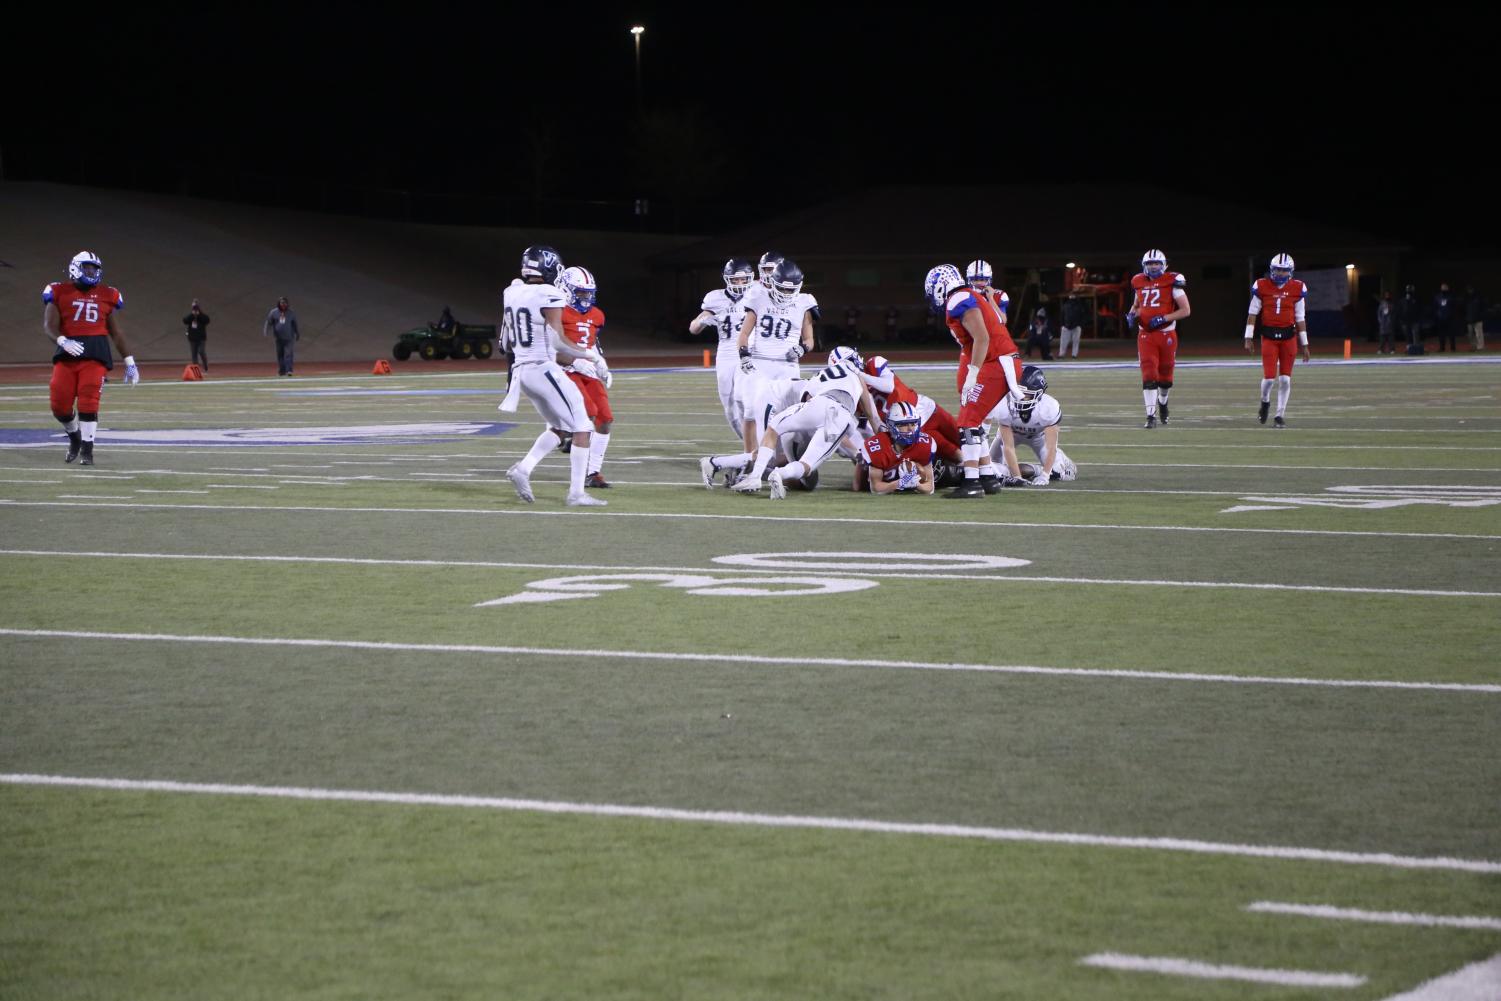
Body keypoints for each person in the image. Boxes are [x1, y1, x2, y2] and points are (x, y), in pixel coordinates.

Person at [500, 245, 609, 508]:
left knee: (558, 427)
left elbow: (504, 343)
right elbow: (559, 341)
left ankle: (523, 469)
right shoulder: (549, 293)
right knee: (583, 427)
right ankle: (576, 494)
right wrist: (592, 357)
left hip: (521, 372)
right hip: (542, 368)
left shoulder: (511, 292)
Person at [926, 262, 1024, 498]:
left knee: (968, 421)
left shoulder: (958, 299)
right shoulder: (965, 296)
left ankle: (971, 483)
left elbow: (982, 339)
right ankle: (988, 476)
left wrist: (973, 372)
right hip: (1000, 361)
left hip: (996, 363)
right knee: (976, 422)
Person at [728, 350, 877, 500]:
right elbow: (871, 414)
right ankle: (780, 474)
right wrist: (880, 439)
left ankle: (755, 477)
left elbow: (806, 398)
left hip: (818, 403)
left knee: (774, 428)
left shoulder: (821, 373)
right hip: (840, 413)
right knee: (806, 465)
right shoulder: (857, 376)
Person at [43, 251, 139, 465]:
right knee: (59, 404)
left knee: (89, 400)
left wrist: (129, 361)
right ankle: (74, 437)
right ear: (76, 267)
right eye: (87, 267)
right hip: (67, 354)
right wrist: (61, 340)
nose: (91, 272)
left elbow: (116, 332)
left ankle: (87, 451)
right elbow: (49, 325)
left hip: (96, 353)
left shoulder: (107, 294)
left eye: (94, 268)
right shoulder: (58, 290)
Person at [733, 257, 818, 452]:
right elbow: (744, 334)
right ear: (773, 283)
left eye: (791, 289)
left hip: (787, 365)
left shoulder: (805, 303)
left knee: (790, 413)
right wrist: (744, 355)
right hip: (760, 363)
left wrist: (803, 348)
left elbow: (809, 340)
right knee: (751, 412)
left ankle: (784, 456)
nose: (787, 293)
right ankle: (750, 457)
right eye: (783, 288)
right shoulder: (758, 298)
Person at [558, 266, 614, 489]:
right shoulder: (557, 311)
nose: (586, 297)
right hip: (565, 371)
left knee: (605, 419)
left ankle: (593, 472)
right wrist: (574, 361)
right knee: (587, 416)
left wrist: (602, 365)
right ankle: (564, 434)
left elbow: (593, 344)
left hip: (587, 372)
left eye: (588, 292)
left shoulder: (597, 315)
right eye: (580, 292)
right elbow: (549, 350)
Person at [689, 258, 756, 438]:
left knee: (746, 401)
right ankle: (748, 449)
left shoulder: (758, 293)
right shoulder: (715, 297)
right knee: (729, 406)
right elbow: (693, 328)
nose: (740, 283)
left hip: (750, 352)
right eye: (735, 280)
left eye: (743, 279)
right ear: (727, 279)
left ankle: (760, 447)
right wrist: (702, 321)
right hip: (726, 354)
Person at [1244, 253, 1311, 428]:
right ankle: (1265, 401)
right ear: (1272, 270)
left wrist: (1305, 344)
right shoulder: (1262, 286)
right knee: (1268, 379)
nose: (1280, 274)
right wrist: (1248, 337)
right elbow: (1252, 314)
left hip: (1289, 337)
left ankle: (1279, 415)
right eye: (1278, 270)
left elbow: (1300, 317)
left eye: (1284, 270)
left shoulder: (1297, 288)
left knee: (1285, 380)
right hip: (1269, 337)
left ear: (1290, 271)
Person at [857, 353, 963, 463]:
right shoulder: (854, 394)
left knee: (961, 436)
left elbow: (888, 386)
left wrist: (860, 376)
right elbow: (864, 427)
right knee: (953, 453)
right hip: (906, 424)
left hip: (924, 407)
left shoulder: (874, 364)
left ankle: (980, 464)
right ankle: (970, 471)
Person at [1128, 248, 1191, 428]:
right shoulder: (1138, 281)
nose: (1153, 267)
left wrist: (1165, 318)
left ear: (1164, 265)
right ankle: (1150, 416)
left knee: (1165, 378)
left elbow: (1186, 310)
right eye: (1149, 264)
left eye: (1156, 263)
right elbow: (1137, 304)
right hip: (1146, 334)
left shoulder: (1172, 282)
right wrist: (1132, 314)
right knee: (1148, 374)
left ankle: (1163, 404)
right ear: (1144, 266)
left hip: (1166, 334)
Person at [987, 365, 1077, 485]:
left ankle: (1050, 466)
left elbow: (1051, 447)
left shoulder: (1048, 408)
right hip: (1013, 434)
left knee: (1055, 473)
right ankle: (1027, 472)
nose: (1020, 398)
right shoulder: (1005, 403)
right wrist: (1017, 478)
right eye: (1017, 392)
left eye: (1025, 394)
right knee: (991, 469)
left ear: (1038, 394)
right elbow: (1008, 447)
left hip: (1038, 438)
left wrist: (1044, 475)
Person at [855, 401, 936, 494]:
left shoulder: (924, 444)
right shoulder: (878, 447)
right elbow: (876, 488)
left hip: (933, 474)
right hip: (878, 479)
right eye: (904, 424)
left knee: (948, 474)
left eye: (913, 424)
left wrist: (916, 485)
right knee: (857, 487)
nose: (910, 429)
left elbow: (930, 487)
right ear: (891, 426)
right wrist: (900, 483)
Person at [263, 296, 300, 376]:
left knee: (288, 354)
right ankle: (282, 371)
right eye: (282, 303)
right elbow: (268, 322)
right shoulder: (273, 312)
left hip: (289, 338)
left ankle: (289, 370)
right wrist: (266, 331)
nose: (283, 304)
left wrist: (297, 333)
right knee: (280, 355)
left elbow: (295, 324)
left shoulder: (291, 313)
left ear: (287, 304)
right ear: (279, 303)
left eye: (285, 303)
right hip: (279, 338)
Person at [182, 299, 210, 372]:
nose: (195, 309)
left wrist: (199, 314)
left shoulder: (202, 316)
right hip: (192, 338)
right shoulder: (190, 316)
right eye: (194, 308)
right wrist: (192, 315)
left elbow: (207, 320)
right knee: (194, 355)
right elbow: (185, 320)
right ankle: (196, 370)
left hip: (201, 338)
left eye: (196, 308)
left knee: (201, 351)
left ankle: (205, 366)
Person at [1398, 284, 1424, 352]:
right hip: (1405, 321)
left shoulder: (1416, 299)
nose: (1409, 291)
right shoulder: (1403, 300)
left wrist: (1419, 319)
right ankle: (1409, 348)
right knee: (1407, 336)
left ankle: (1416, 349)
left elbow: (1420, 309)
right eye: (1408, 289)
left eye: (1410, 289)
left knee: (1415, 335)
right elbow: (1400, 310)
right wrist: (1401, 320)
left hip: (1415, 320)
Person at [1059, 293, 1086, 358]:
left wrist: (1062, 324)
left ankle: (1064, 354)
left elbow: (1062, 316)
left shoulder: (1066, 305)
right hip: (1071, 326)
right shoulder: (1078, 305)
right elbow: (1082, 316)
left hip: (1071, 326)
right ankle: (1072, 354)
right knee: (1073, 341)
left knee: (1066, 341)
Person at [1432, 283, 1457, 352]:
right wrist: (1437, 315)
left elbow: (1454, 307)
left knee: (1451, 334)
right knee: (1441, 334)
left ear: (1448, 288)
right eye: (1443, 287)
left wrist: (1452, 315)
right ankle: (1442, 348)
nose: (1444, 289)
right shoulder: (1437, 297)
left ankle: (1453, 348)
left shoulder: (1451, 296)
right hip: (1440, 319)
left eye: (1445, 287)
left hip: (1450, 318)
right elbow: (1435, 307)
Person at [1465, 286, 1486, 351]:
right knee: (1471, 334)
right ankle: (1473, 347)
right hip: (1469, 319)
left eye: (1471, 290)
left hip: (1478, 319)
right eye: (1469, 290)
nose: (1470, 291)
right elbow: (1463, 309)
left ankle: (1480, 347)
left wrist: (1481, 316)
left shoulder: (1479, 298)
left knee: (1479, 334)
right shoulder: (1466, 299)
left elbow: (1483, 308)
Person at [1376, 291, 1397, 355]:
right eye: (1386, 295)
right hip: (1383, 323)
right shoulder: (1382, 304)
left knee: (1391, 337)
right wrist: (1380, 321)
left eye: (1388, 295)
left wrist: (1392, 320)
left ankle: (1392, 349)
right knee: (1382, 337)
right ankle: (1381, 349)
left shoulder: (1392, 304)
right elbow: (1379, 313)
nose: (1387, 296)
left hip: (1390, 323)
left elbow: (1394, 313)